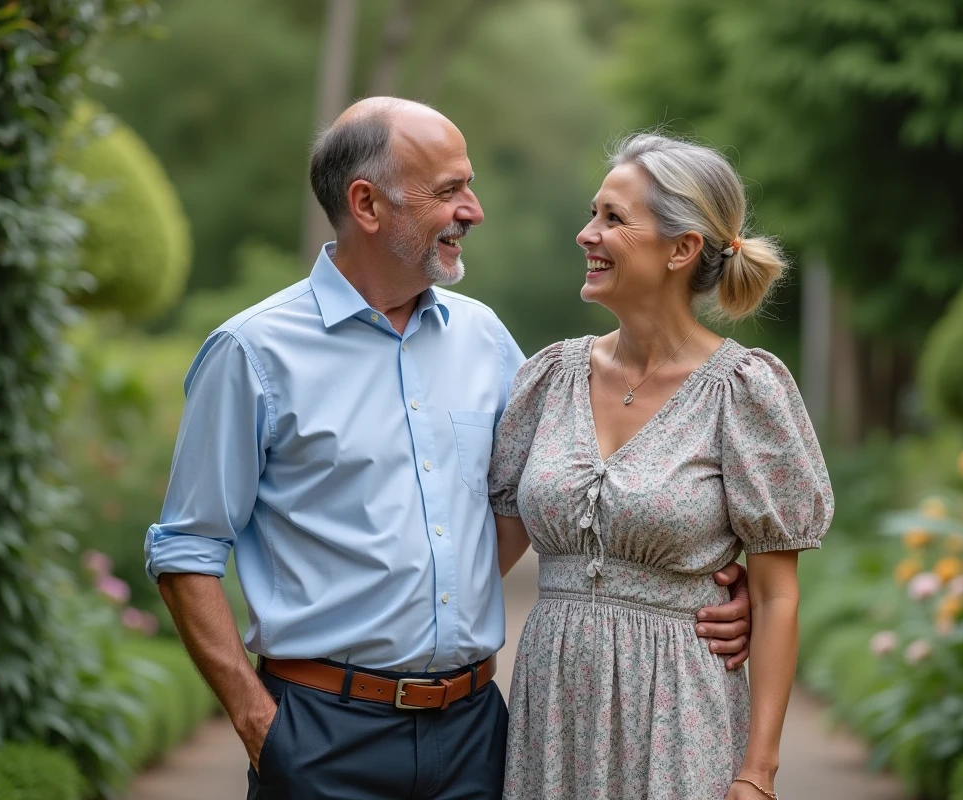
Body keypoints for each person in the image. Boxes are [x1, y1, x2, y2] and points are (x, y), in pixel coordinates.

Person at [145, 99, 753, 800]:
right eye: (449, 190)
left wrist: (701, 586)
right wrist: (260, 725)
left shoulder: (485, 339)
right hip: (321, 736)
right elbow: (185, 548)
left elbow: (565, 491)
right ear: (367, 205)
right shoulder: (252, 353)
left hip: (474, 737)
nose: (474, 210)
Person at [489, 132, 835, 800]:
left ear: (682, 249)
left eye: (613, 218)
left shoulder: (745, 392)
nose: (587, 234)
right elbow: (487, 554)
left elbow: (775, 595)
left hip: (680, 712)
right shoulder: (549, 378)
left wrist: (758, 772)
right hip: (552, 714)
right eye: (592, 213)